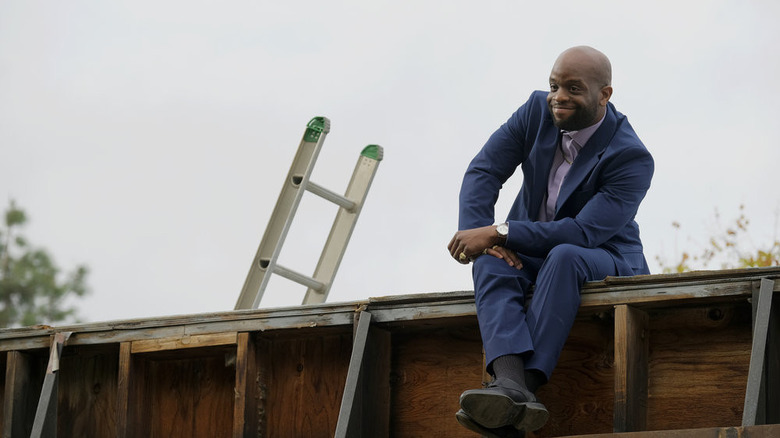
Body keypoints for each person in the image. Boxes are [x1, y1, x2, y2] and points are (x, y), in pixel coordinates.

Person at [447, 46, 654, 437]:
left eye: (574, 89)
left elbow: (583, 233)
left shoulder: (631, 157)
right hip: (533, 246)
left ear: (604, 95)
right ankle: (509, 385)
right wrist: (485, 239)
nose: (559, 96)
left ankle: (522, 390)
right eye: (555, 85)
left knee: (565, 256)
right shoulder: (534, 111)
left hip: (604, 255)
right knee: (491, 261)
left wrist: (501, 231)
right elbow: (483, 171)